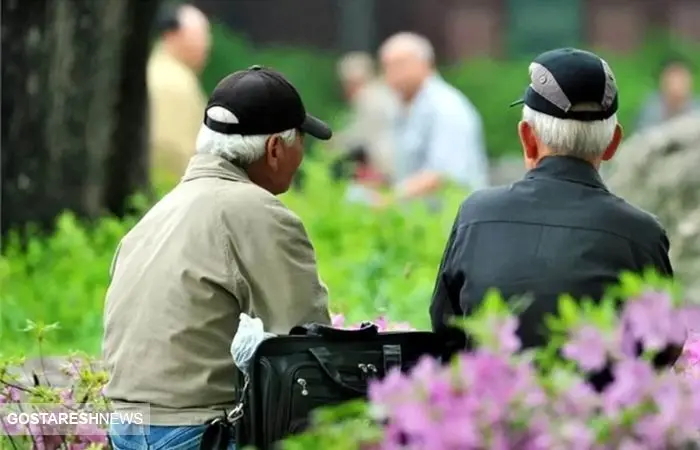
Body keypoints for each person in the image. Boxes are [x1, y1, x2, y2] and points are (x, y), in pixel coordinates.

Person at [105, 65, 333, 450]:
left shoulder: (157, 213)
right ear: (276, 149)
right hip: (194, 432)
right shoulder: (259, 212)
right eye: (301, 142)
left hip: (125, 427)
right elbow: (307, 346)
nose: (302, 156)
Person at [429, 48, 673, 350]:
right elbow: (664, 348)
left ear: (528, 139)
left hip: (495, 396)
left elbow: (445, 330)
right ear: (613, 143)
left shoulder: (475, 215)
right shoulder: (642, 234)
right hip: (598, 398)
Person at [377, 32, 489, 206]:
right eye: (386, 67)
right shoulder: (404, 108)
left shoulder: (446, 107)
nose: (392, 74)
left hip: (452, 220)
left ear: (425, 63)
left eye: (399, 65)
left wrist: (388, 200)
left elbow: (443, 174)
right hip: (421, 220)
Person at [148, 3, 211, 181]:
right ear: (171, 35)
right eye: (200, 36)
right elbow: (173, 150)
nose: (206, 46)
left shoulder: (165, 72)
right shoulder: (173, 81)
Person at [330, 52, 398, 185]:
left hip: (382, 166)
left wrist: (334, 143)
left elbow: (358, 138)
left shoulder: (366, 97)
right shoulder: (384, 92)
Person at [635, 56, 699, 132]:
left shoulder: (697, 109)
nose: (677, 86)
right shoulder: (651, 108)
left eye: (681, 80)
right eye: (673, 81)